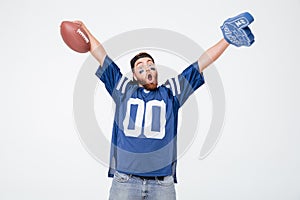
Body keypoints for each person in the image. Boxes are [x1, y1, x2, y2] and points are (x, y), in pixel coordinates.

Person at [75, 12, 254, 200]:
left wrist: (226, 40)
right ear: (134, 76)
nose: (147, 69)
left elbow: (201, 63)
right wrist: (85, 33)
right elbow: (102, 57)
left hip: (162, 183)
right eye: (140, 67)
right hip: (125, 180)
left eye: (151, 65)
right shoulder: (124, 90)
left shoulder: (171, 92)